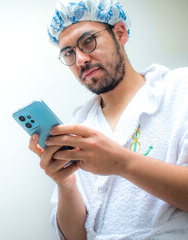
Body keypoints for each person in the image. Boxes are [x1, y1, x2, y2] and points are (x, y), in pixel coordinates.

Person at [28, 0, 188, 239]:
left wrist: (122, 163)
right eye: (69, 53)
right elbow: (75, 236)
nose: (80, 59)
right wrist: (65, 183)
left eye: (88, 41)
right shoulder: (78, 125)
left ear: (119, 33)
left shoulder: (179, 90)